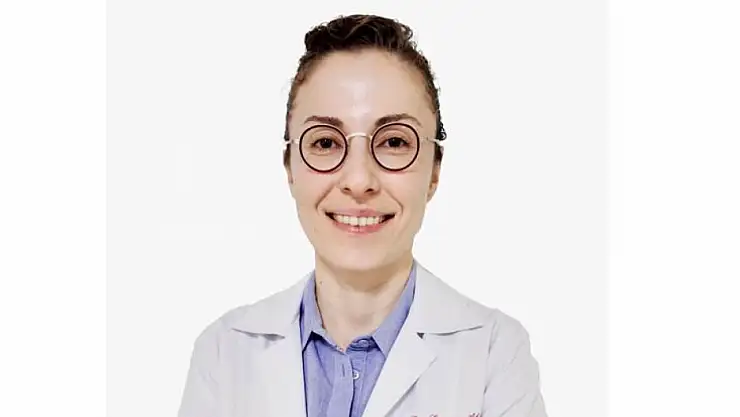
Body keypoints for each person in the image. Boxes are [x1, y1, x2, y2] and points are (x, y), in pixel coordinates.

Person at [178, 13, 548, 417]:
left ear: (434, 172)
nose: (358, 180)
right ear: (290, 168)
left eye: (394, 142)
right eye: (325, 142)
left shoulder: (495, 355)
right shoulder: (225, 353)